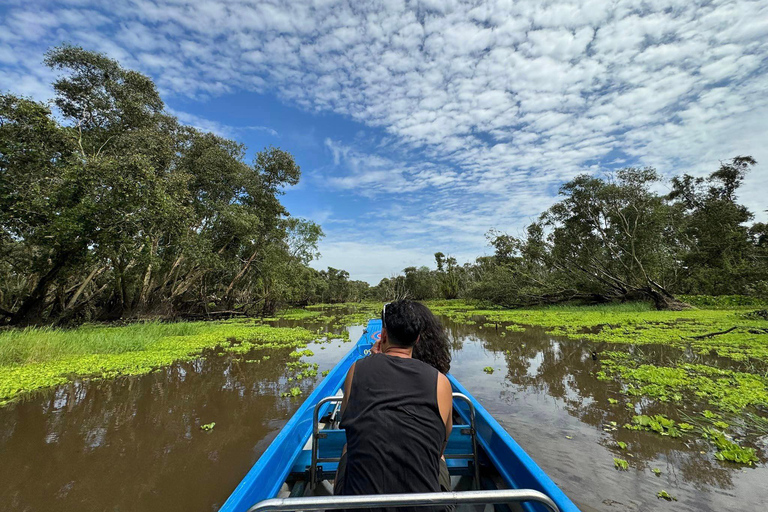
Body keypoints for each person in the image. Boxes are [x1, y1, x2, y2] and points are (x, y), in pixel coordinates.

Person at [334, 300, 453, 510]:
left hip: (361, 507)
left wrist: (372, 361)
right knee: (439, 455)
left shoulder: (356, 370)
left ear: (383, 335)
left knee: (347, 448)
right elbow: (441, 440)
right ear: (417, 339)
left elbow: (347, 420)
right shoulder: (441, 382)